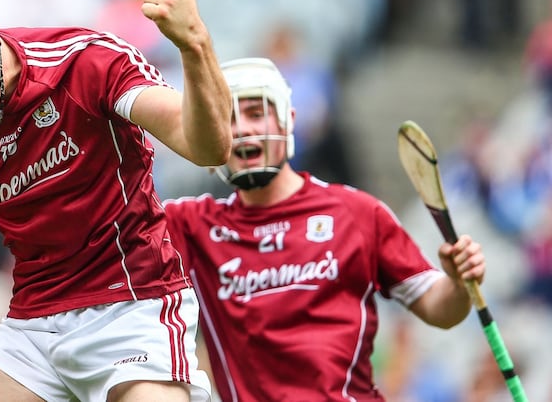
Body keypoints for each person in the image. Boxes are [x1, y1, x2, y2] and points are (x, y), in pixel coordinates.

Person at [0, 0, 231, 401]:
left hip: (134, 302)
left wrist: (195, 45)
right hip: (34, 322)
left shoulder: (85, 64)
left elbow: (209, 147)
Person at [162, 57, 486, 401]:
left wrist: (458, 282)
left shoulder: (358, 213)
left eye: (256, 113)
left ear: (289, 121)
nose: (242, 129)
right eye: (227, 119)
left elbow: (441, 310)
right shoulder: (189, 225)